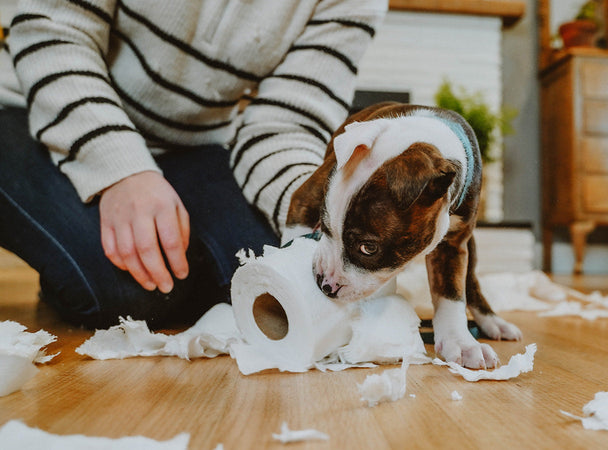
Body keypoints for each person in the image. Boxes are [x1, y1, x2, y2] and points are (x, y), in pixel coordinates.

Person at [0, 0, 387, 328]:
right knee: (130, 292)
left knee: (256, 268)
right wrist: (120, 170)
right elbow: (54, 28)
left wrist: (313, 215)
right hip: (27, 102)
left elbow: (286, 123)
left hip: (186, 143)